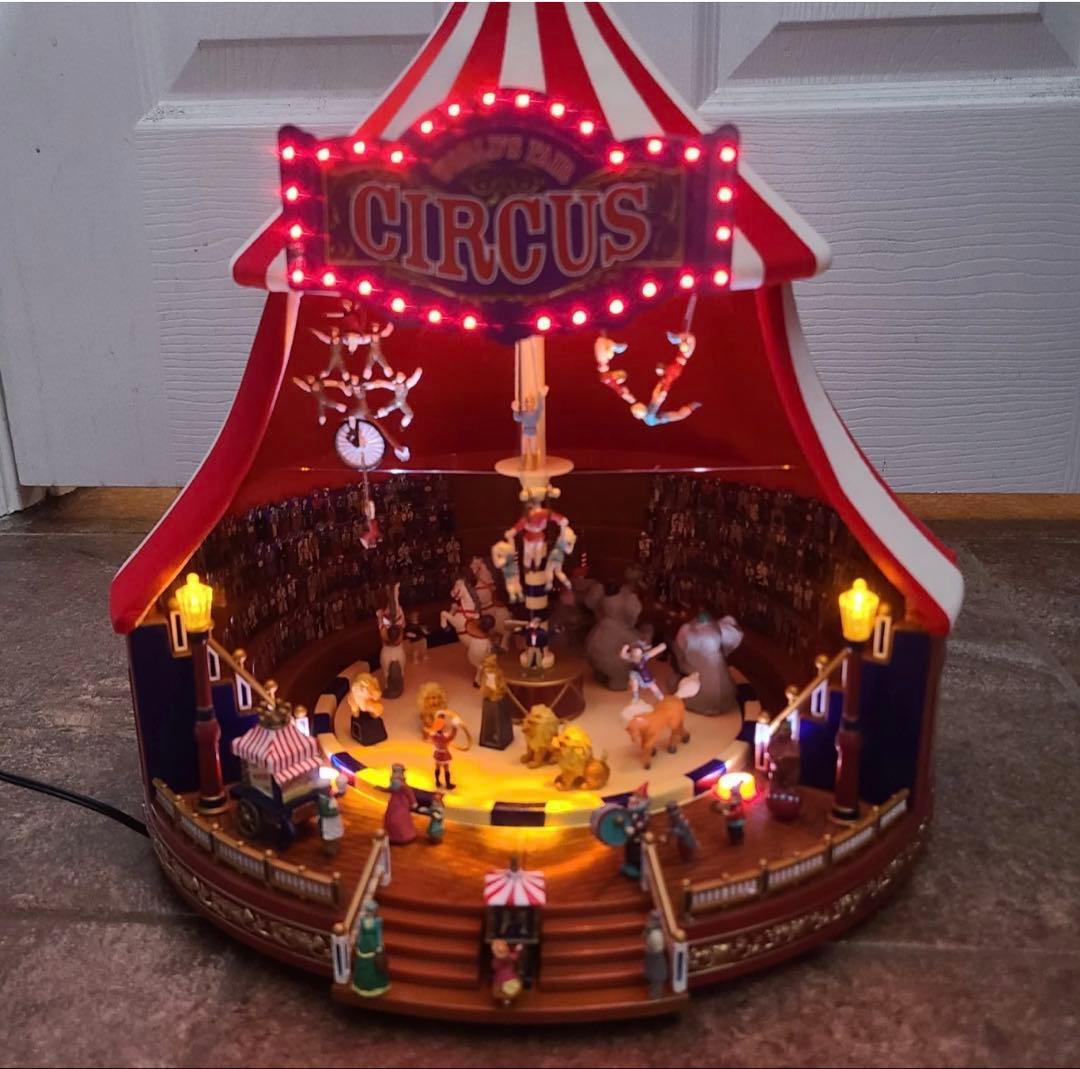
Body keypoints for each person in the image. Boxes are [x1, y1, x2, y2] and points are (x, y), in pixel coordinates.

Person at [351, 899, 390, 997]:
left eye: (371, 911)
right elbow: (360, 933)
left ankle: (376, 984)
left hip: (373, 943)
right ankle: (362, 984)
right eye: (367, 910)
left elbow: (379, 934)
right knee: (363, 962)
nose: (369, 913)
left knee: (375, 962)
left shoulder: (378, 921)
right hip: (364, 944)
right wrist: (358, 942)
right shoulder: (362, 920)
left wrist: (380, 944)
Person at [384, 763, 418, 844]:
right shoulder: (395, 782)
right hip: (394, 802)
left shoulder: (403, 785)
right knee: (391, 818)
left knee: (399, 819)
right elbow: (391, 789)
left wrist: (413, 802)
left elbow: (409, 793)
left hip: (401, 803)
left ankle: (403, 836)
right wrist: (382, 789)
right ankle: (393, 836)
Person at [490, 938, 523, 1007]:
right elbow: (515, 957)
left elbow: (494, 967)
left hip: (500, 978)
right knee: (509, 989)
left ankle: (505, 999)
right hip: (510, 976)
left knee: (501, 989)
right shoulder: (509, 956)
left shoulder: (495, 961)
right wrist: (517, 949)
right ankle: (507, 999)